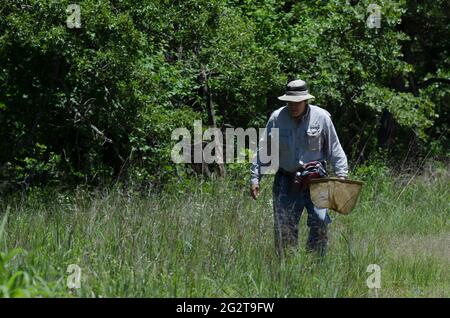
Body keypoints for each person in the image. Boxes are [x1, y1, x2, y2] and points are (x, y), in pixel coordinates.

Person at [250, 79, 348, 257]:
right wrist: (255, 178)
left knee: (320, 221)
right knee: (284, 227)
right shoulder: (277, 118)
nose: (293, 106)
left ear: (306, 100)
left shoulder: (322, 118)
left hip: (316, 180)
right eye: (290, 102)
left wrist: (341, 176)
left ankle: (314, 263)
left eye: (297, 102)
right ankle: (287, 266)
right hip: (286, 180)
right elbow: (264, 150)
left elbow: (335, 148)